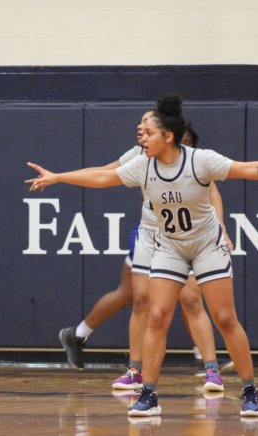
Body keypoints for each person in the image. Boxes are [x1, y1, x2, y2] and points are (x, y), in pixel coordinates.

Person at [27, 93, 258, 417]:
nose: (143, 138)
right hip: (170, 246)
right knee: (158, 316)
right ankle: (148, 395)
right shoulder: (143, 165)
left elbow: (250, 169)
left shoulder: (200, 161)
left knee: (225, 319)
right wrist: (59, 177)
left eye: (150, 133)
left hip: (206, 245)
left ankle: (250, 390)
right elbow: (104, 176)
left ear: (168, 136)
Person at [59, 113, 233, 393]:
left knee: (190, 298)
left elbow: (213, 193)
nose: (142, 128)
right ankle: (132, 369)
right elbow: (104, 173)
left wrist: (221, 227)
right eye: (142, 124)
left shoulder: (193, 160)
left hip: (184, 236)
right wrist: (59, 177)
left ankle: (211, 369)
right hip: (149, 234)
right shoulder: (139, 157)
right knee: (138, 298)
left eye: (148, 125)